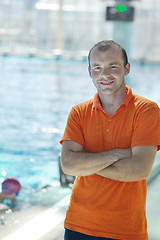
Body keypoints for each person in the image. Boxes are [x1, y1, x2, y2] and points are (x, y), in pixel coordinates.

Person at [60, 40, 160, 240]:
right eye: (97, 68)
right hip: (78, 225)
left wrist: (86, 164)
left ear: (127, 69)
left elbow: (139, 170)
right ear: (90, 72)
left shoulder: (146, 110)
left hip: (126, 229)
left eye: (113, 66)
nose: (104, 74)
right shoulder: (79, 112)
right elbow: (69, 166)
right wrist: (117, 154)